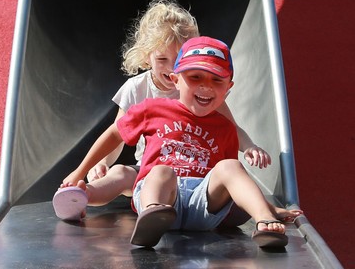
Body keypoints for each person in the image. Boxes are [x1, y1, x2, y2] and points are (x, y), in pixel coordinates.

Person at [53, 36, 303, 248]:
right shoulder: (152, 109)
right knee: (161, 171)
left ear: (229, 88)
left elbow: (232, 181)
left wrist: (269, 207)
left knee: (231, 167)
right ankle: (150, 216)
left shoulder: (225, 127)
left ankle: (265, 221)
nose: (206, 87)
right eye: (195, 77)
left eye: (217, 81)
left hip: (200, 204)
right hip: (161, 196)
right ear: (175, 80)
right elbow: (114, 135)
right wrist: (80, 172)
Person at [63, 0, 272, 212]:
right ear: (147, 57)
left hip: (196, 173)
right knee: (121, 174)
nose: (171, 66)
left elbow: (231, 127)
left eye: (179, 57)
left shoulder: (198, 89)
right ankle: (81, 195)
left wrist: (249, 147)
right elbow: (118, 136)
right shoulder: (136, 88)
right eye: (162, 58)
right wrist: (102, 163)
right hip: (150, 171)